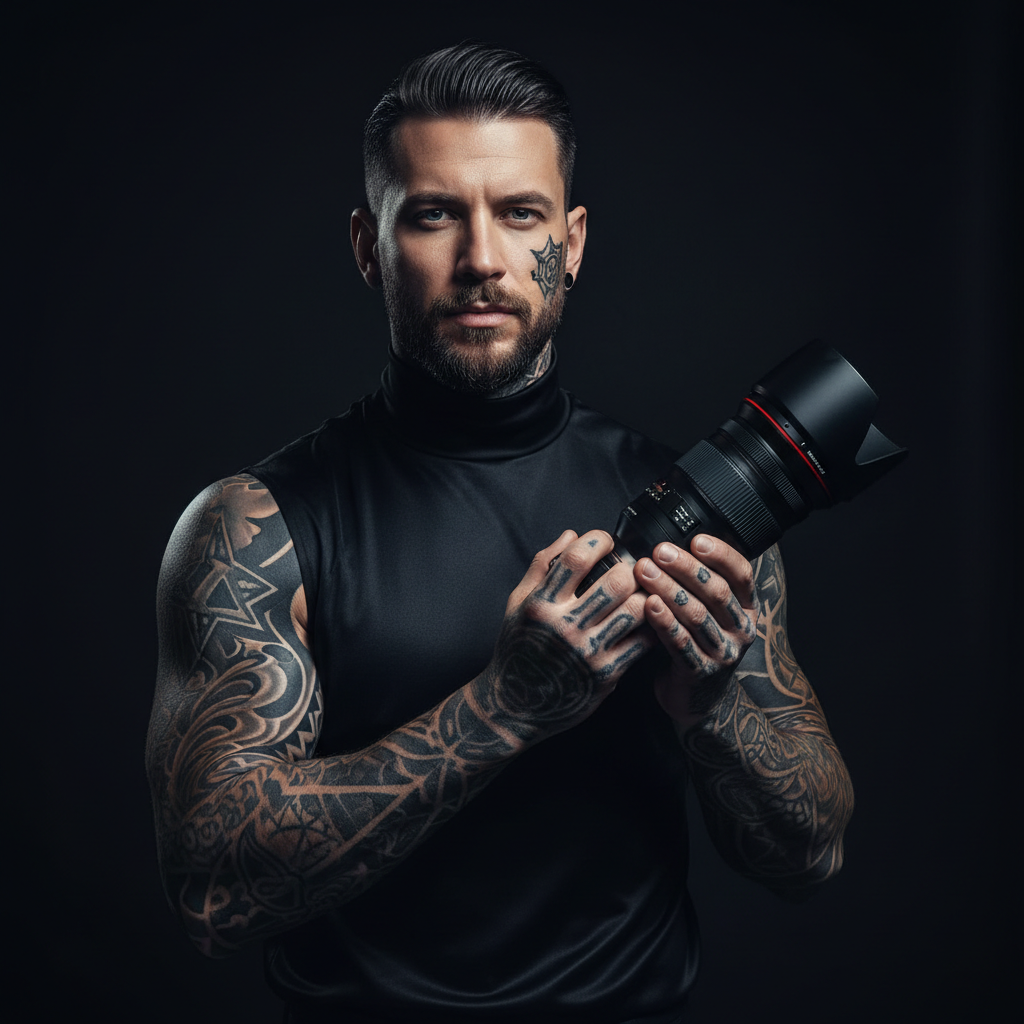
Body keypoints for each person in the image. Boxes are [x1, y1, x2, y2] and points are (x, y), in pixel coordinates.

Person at [146, 42, 854, 1024]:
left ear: (572, 240)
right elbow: (212, 891)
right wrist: (503, 708)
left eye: (518, 213)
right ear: (368, 247)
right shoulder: (256, 526)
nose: (480, 260)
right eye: (433, 215)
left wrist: (713, 706)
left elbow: (810, 855)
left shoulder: (695, 514)